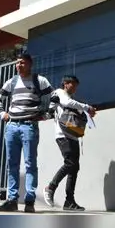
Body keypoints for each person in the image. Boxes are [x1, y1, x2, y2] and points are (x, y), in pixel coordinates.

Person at [0, 52, 53, 213]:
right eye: (17, 63)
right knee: (12, 164)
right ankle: (12, 200)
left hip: (29, 126)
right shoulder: (12, 81)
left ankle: (29, 200)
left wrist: (47, 114)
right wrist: (2, 114)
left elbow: (53, 97)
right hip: (12, 126)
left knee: (30, 164)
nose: (19, 65)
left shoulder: (39, 80)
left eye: (22, 62)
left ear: (30, 64)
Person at [43, 75, 96, 211]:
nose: (75, 88)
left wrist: (87, 113)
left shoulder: (70, 98)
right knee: (70, 164)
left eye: (76, 86)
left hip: (72, 137)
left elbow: (74, 109)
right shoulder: (60, 93)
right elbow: (67, 103)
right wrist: (87, 107)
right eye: (74, 85)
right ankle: (50, 187)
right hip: (63, 135)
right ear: (65, 84)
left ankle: (69, 201)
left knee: (74, 168)